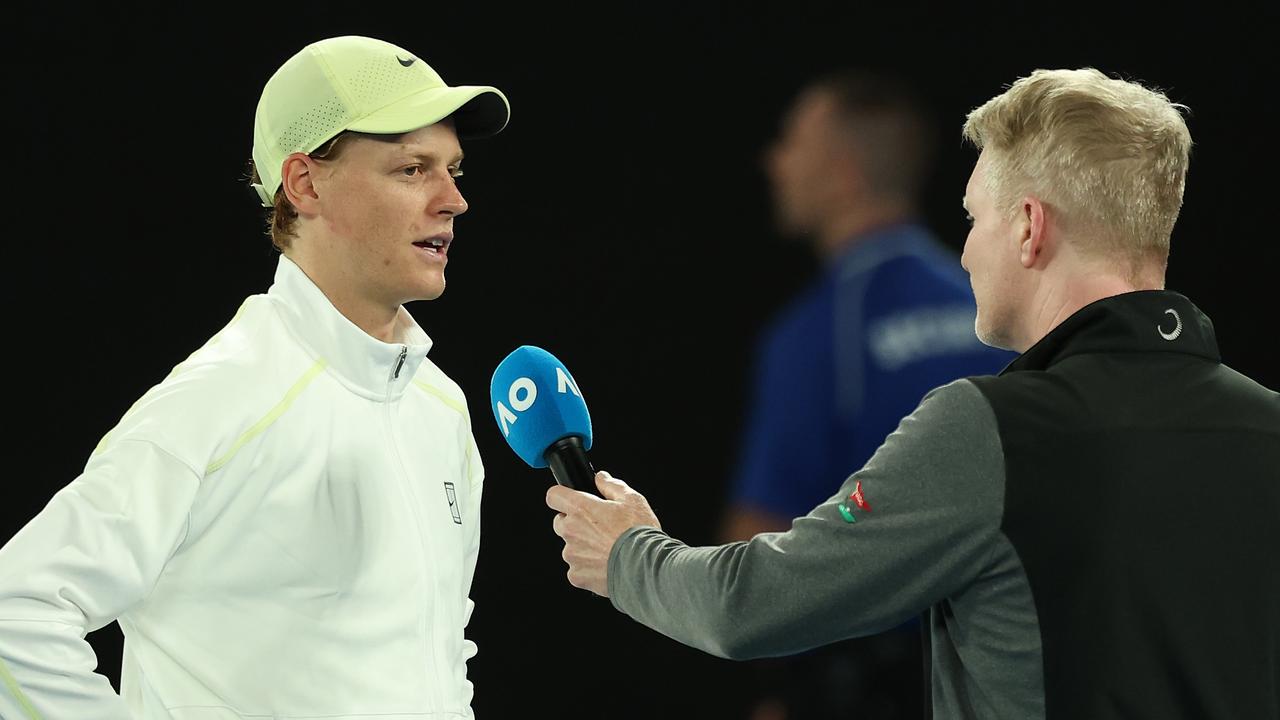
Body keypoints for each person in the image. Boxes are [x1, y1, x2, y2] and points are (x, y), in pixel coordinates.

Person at [547, 67, 1279, 719]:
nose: (962, 250)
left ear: (1028, 229)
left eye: (972, 218)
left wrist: (629, 554)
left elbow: (749, 606)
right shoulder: (1266, 427)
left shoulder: (988, 426)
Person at [0, 35, 508, 719]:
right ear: (304, 184)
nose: (453, 201)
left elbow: (439, 657)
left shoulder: (440, 406)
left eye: (454, 171)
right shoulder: (219, 399)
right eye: (412, 169)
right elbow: (15, 615)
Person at [719, 69, 1015, 719]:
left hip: (874, 688)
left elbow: (755, 550)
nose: (774, 160)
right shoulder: (1005, 310)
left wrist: (773, 691)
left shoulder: (817, 331)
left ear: (842, 170)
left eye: (792, 140)